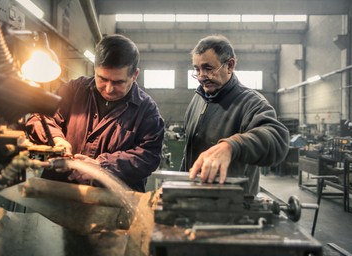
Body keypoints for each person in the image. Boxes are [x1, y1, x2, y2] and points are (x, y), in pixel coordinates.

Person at [25, 34, 165, 192]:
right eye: (102, 79)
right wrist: (57, 140)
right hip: (59, 193)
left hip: (112, 202)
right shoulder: (73, 90)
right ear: (95, 69)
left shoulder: (147, 110)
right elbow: (39, 118)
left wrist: (102, 166)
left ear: (134, 75)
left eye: (118, 82)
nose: (109, 89)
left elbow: (149, 156)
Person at [181, 34, 289, 195]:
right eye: (197, 70)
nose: (202, 77)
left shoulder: (251, 103)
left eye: (208, 68)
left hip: (232, 205)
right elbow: (188, 152)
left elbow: (277, 139)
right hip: (193, 197)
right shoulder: (198, 99)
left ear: (230, 66)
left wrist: (232, 145)